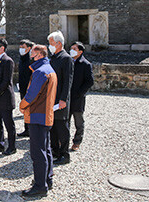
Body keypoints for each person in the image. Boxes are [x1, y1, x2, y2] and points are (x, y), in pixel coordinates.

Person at [20, 45, 57, 197]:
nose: (30, 55)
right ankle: (47, 179)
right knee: (46, 149)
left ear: (40, 54)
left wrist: (22, 105)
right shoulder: (49, 69)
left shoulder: (41, 72)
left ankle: (40, 185)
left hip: (37, 115)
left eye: (33, 53)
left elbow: (31, 95)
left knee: (38, 152)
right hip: (45, 114)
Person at [47, 31, 74, 165]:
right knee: (53, 127)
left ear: (58, 44)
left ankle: (64, 154)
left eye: (51, 43)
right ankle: (55, 150)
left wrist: (63, 99)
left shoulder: (66, 58)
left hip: (60, 100)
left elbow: (67, 81)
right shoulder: (53, 58)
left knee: (62, 127)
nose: (49, 46)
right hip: (51, 98)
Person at [69, 41, 94, 152]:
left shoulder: (85, 64)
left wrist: (80, 92)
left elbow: (89, 81)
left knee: (78, 121)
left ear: (80, 51)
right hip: (67, 96)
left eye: (74, 48)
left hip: (78, 97)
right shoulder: (68, 61)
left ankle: (77, 141)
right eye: (71, 48)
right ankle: (63, 141)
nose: (72, 50)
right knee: (64, 120)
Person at [17, 39, 34, 137]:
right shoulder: (21, 58)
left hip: (30, 88)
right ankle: (26, 128)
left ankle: (31, 129)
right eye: (20, 47)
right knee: (25, 109)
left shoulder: (31, 59)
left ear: (29, 48)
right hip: (22, 87)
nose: (21, 49)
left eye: (23, 47)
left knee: (31, 109)